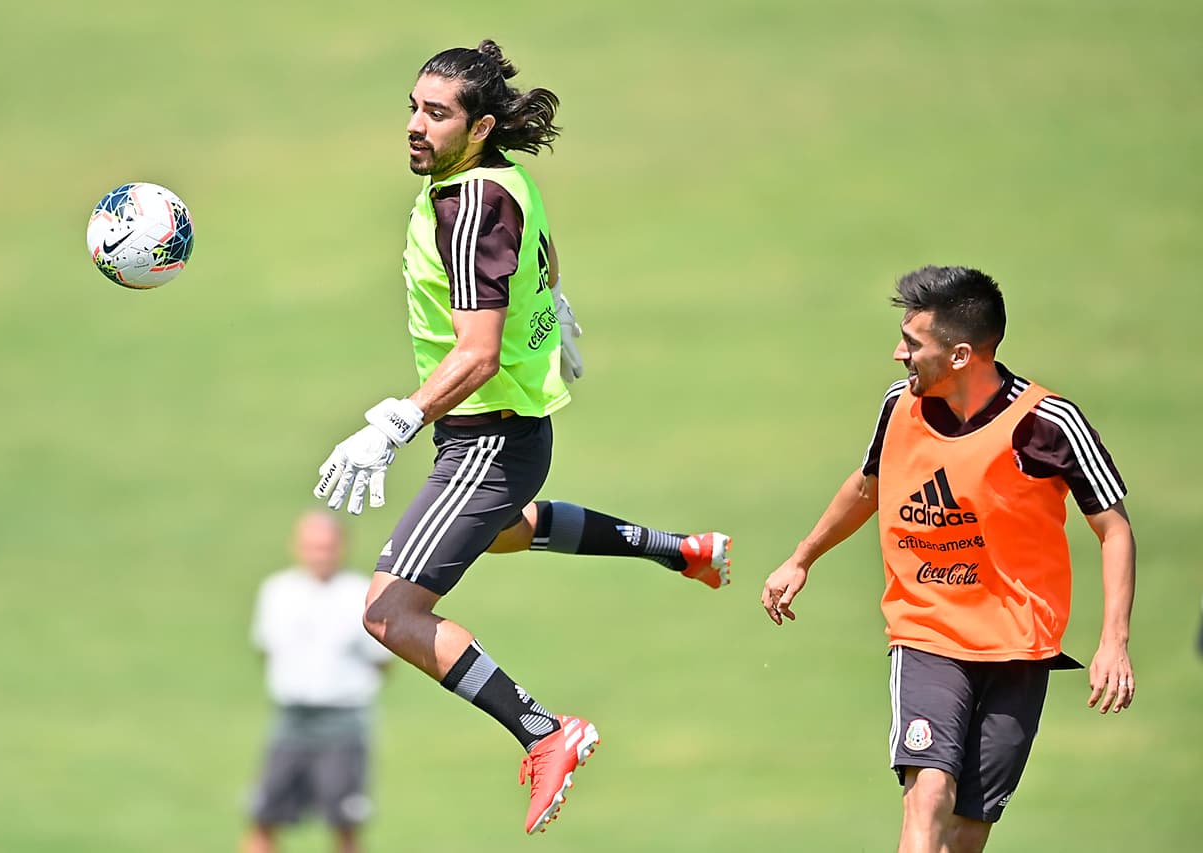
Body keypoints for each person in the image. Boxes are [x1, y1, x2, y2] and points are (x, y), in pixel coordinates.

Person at [310, 40, 731, 836]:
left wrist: (394, 424)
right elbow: (537, 251)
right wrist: (555, 306)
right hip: (513, 434)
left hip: (487, 440)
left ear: (481, 125)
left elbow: (477, 352)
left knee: (389, 612)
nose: (415, 125)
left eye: (436, 114)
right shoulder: (503, 178)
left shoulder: (464, 204)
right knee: (502, 532)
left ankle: (545, 732)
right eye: (413, 106)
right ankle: (679, 549)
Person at [760, 266, 1136, 853]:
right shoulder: (898, 408)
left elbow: (1114, 530)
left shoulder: (1047, 424)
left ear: (961, 355)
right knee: (928, 792)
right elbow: (868, 486)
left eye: (913, 344)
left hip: (1019, 646)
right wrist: (801, 558)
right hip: (926, 631)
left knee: (967, 831)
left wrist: (1113, 641)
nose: (898, 354)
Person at [242, 511, 391, 853]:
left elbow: (381, 661)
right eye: (312, 547)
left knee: (345, 822)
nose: (319, 555)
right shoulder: (277, 591)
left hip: (343, 720)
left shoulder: (361, 595)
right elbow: (266, 648)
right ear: (297, 547)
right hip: (292, 718)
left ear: (341, 547)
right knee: (264, 815)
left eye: (326, 547)